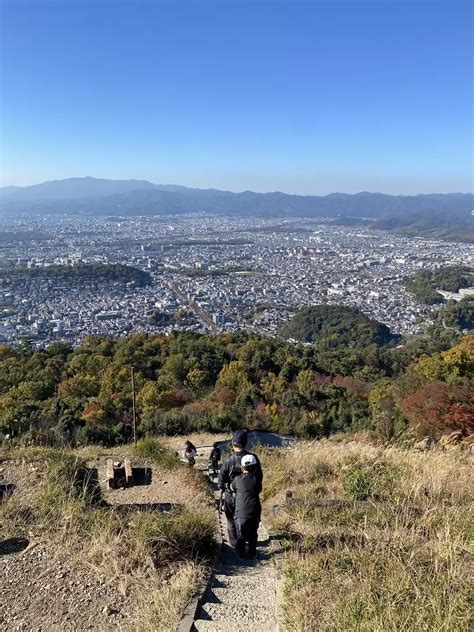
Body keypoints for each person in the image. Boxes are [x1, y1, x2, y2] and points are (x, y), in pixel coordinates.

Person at [218, 430, 263, 547]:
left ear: (233, 443)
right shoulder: (254, 458)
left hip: (231, 496)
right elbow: (259, 477)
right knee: (251, 520)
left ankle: (235, 543)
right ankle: (250, 542)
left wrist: (226, 488)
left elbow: (221, 481)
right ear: (246, 443)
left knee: (231, 520)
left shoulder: (228, 461)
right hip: (250, 496)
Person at [231, 453, 262, 559]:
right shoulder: (256, 480)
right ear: (255, 467)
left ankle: (240, 554)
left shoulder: (237, 479)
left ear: (242, 467)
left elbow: (232, 488)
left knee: (240, 534)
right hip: (254, 511)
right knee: (253, 534)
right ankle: (252, 553)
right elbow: (258, 489)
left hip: (240, 512)